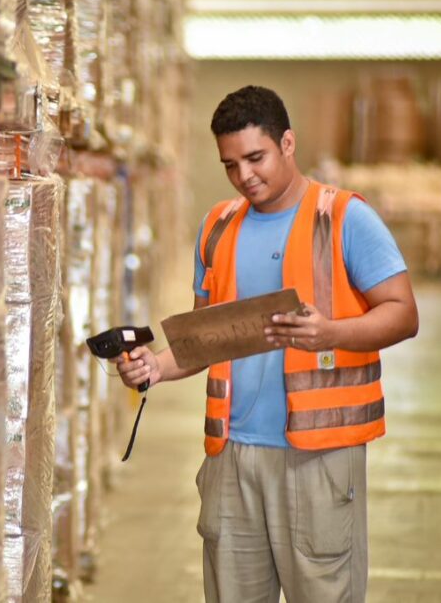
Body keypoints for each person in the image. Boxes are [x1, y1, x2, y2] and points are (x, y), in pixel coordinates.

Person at [116, 85, 419, 602]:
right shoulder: (217, 226)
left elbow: (403, 313)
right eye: (230, 165)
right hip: (232, 457)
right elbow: (207, 336)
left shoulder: (344, 217)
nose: (244, 176)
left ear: (287, 143)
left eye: (255, 158)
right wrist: (156, 367)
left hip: (318, 460)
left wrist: (331, 333)